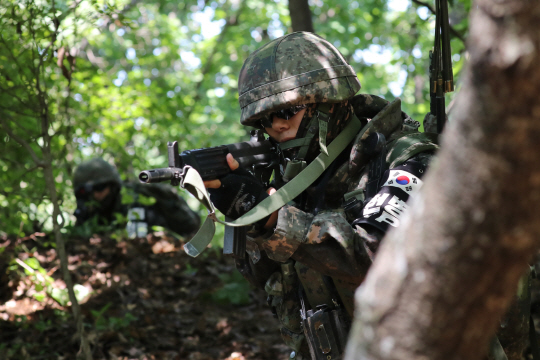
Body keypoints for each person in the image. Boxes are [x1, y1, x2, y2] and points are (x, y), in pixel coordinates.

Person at [203, 31, 439, 359]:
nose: (276, 127)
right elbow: (261, 277)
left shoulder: (407, 159)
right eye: (264, 119)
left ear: (328, 102)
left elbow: (377, 257)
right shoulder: (292, 178)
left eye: (287, 111)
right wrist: (248, 214)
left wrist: (275, 219)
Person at [73, 157, 200, 238]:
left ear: (112, 186)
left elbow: (191, 225)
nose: (96, 194)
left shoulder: (138, 197)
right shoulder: (90, 212)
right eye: (88, 191)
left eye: (100, 187)